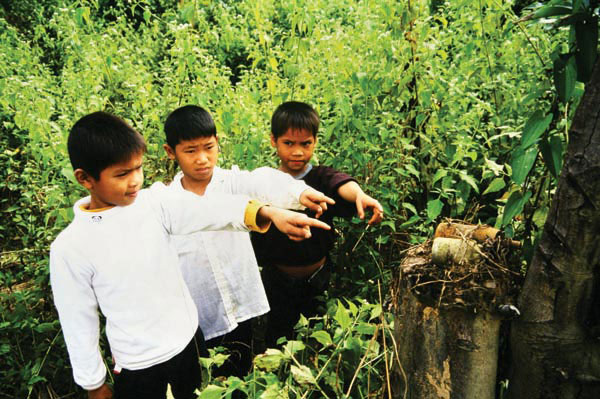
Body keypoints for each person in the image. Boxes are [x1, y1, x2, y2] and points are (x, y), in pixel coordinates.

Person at [49, 111, 330, 399]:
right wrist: (94, 384)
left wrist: (268, 212)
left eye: (138, 169)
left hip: (189, 343)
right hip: (139, 364)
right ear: (85, 179)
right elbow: (78, 321)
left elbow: (208, 210)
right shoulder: (71, 248)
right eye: (122, 174)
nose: (135, 181)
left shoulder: (153, 204)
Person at [162, 105, 334, 378]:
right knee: (203, 380)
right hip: (198, 316)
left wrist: (298, 193)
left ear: (218, 143)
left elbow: (264, 181)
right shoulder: (166, 201)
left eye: (209, 147)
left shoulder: (232, 183)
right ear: (171, 152)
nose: (203, 159)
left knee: (240, 375)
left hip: (240, 307)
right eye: (190, 151)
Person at [250, 101, 384, 347]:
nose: (298, 152)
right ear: (273, 140)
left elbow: (341, 184)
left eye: (305, 144)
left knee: (318, 336)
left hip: (317, 278)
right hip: (276, 279)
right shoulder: (264, 182)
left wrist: (360, 196)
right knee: (277, 338)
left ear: (315, 141)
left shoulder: (320, 177)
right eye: (288, 143)